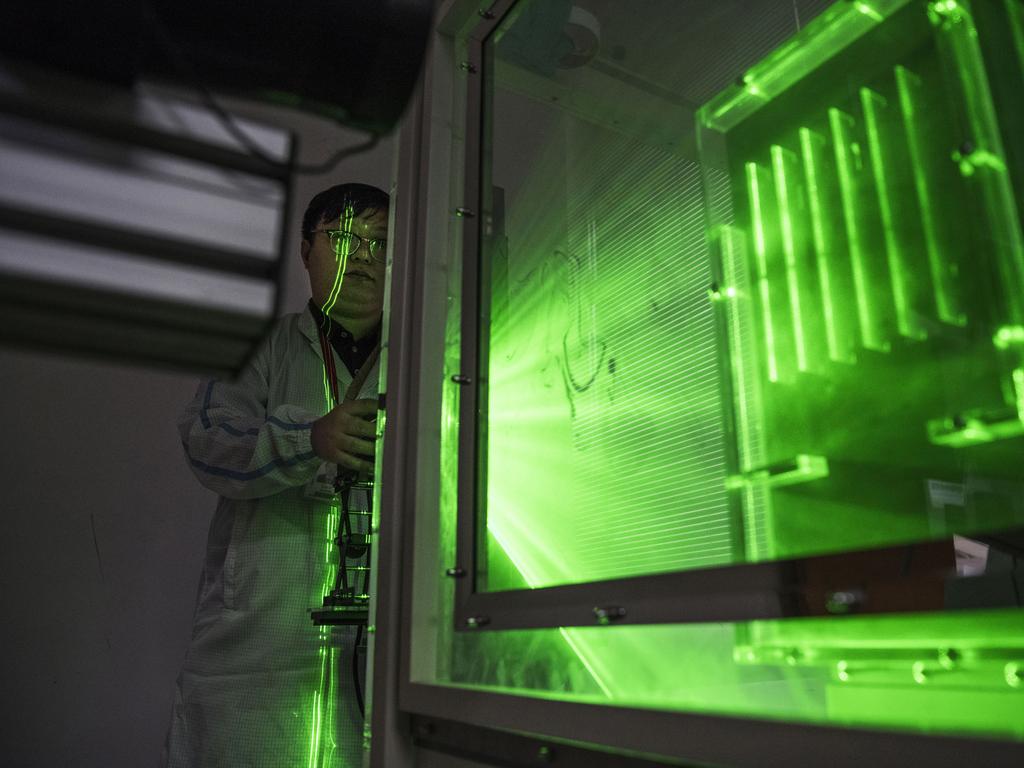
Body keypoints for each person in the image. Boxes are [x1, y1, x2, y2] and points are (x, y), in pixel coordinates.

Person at [164, 183, 390, 768]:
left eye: (381, 243)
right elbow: (206, 441)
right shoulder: (260, 346)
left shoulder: (433, 354)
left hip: (384, 648)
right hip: (260, 649)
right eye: (343, 238)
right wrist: (308, 439)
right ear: (305, 249)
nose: (364, 256)